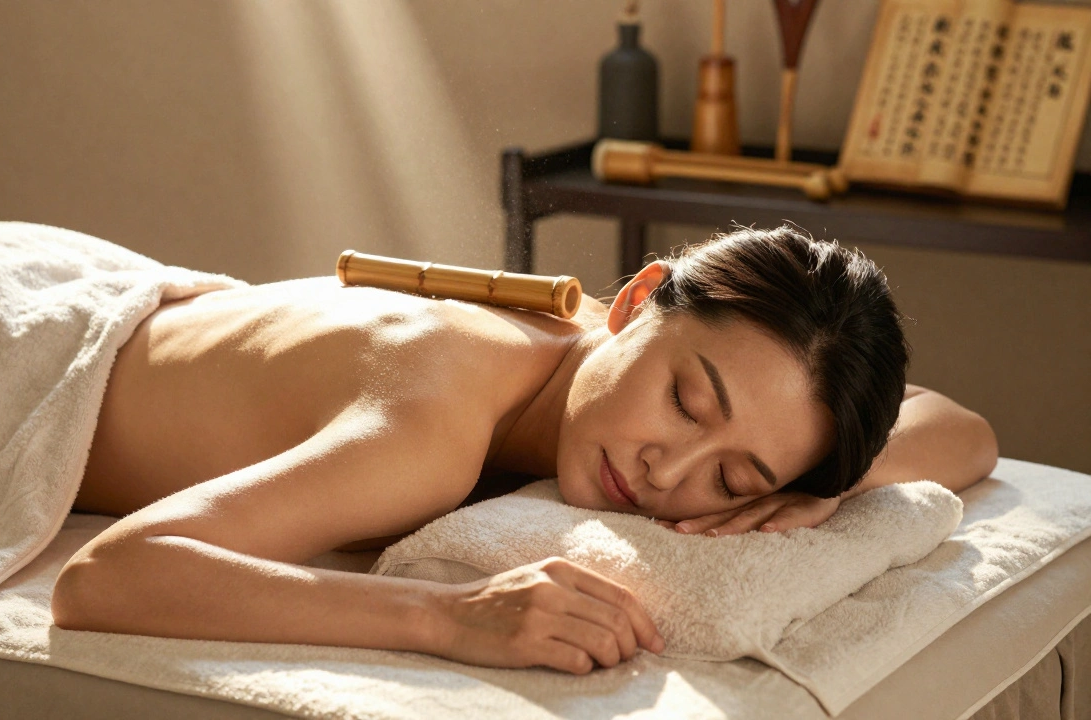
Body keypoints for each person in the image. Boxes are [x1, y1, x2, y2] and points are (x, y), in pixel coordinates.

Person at [51, 225, 998, 676]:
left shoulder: (583, 340)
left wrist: (823, 484)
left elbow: (966, 431)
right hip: (9, 346)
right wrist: (444, 617)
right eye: (684, 402)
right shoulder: (430, 427)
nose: (670, 471)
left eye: (731, 478)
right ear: (637, 300)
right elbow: (104, 581)